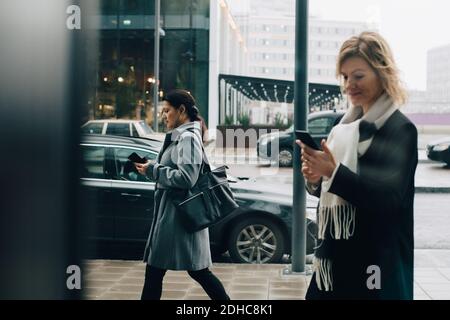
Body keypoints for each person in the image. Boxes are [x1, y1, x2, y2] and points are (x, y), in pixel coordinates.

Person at [297, 31, 418, 300]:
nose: (350, 84)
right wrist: (317, 179)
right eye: (345, 77)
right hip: (334, 259)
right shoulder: (343, 127)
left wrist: (333, 172)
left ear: (382, 73)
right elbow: (332, 194)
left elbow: (388, 199)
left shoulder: (401, 130)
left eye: (359, 75)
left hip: (376, 264)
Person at [134, 89, 230, 300]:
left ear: (182, 110)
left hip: (177, 219)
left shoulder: (187, 138)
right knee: (187, 272)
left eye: (167, 110)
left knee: (173, 272)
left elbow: (187, 178)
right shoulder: (181, 136)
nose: (163, 115)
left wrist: (154, 170)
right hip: (173, 217)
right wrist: (152, 169)